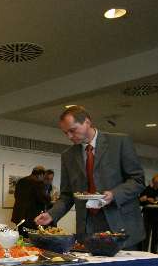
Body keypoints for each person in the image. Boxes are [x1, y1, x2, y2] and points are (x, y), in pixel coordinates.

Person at [35, 106, 145, 248]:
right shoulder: (68, 156)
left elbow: (137, 180)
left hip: (121, 224)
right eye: (65, 133)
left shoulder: (120, 143)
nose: (69, 136)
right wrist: (51, 214)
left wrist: (114, 194)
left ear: (87, 122)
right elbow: (67, 195)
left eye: (72, 130)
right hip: (88, 229)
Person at [11, 166, 50, 236]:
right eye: (43, 176)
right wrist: (50, 198)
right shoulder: (38, 184)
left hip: (19, 216)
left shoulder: (21, 181)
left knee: (21, 236)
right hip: (31, 218)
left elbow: (16, 196)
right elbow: (43, 199)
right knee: (32, 238)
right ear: (40, 175)